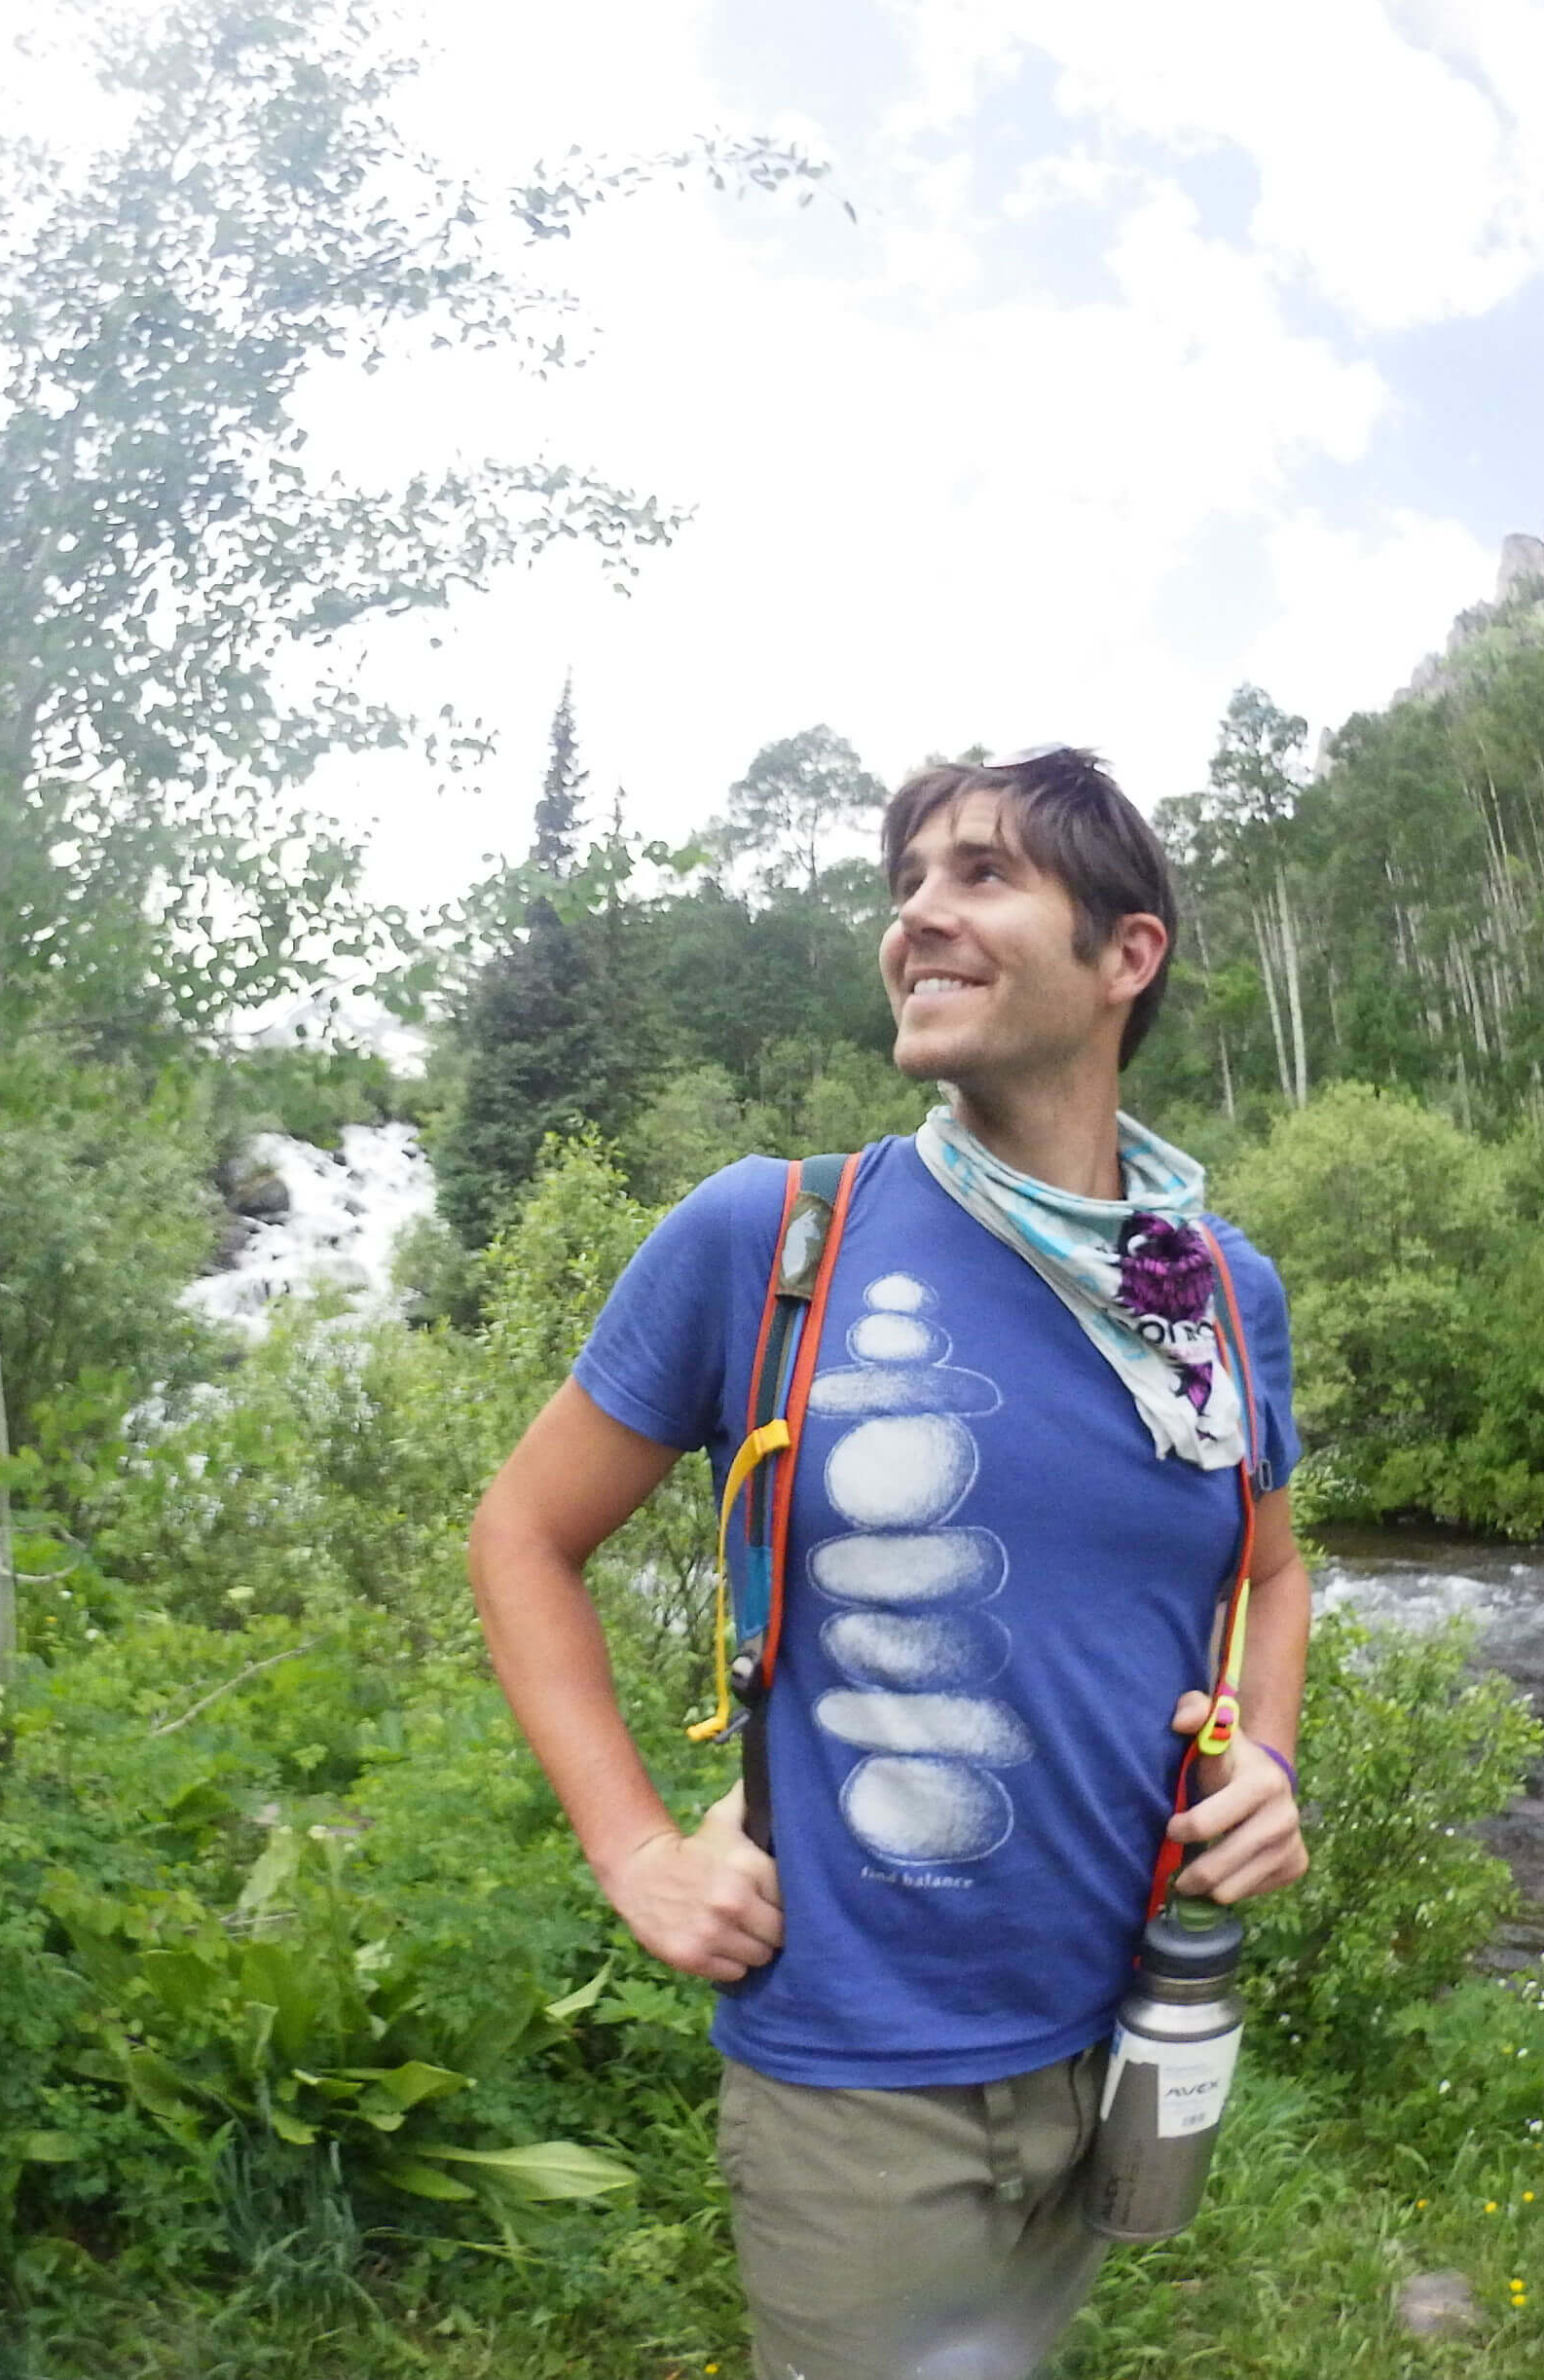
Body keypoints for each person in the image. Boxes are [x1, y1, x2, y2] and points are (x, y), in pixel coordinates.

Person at [467, 746, 1310, 2380]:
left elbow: (1267, 1570)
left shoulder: (1212, 1291)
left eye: (983, 873)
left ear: (1125, 955)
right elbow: (523, 1534)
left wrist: (1266, 1753)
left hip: (1125, 2025)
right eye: (907, 881)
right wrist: (636, 1849)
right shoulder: (773, 1234)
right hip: (856, 2072)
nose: (919, 913)